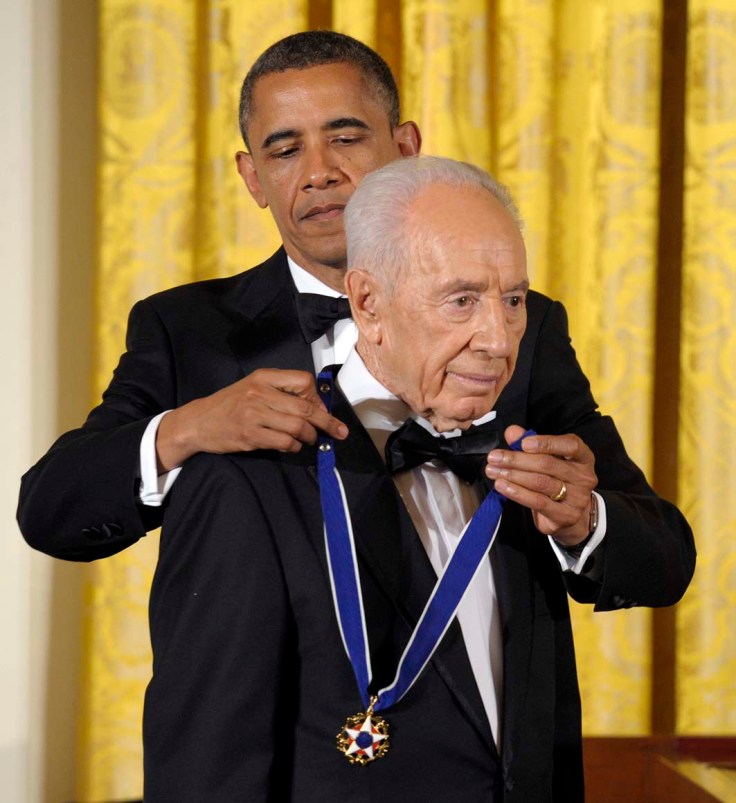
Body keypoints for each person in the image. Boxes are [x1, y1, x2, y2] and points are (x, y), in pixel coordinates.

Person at [17, 30, 683, 582]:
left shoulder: (521, 323)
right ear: (253, 178)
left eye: (346, 136)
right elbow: (50, 512)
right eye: (285, 149)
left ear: (406, 147)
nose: (319, 171)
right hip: (276, 738)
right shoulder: (187, 330)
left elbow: (663, 557)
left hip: (486, 736)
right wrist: (185, 429)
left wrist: (582, 516)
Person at [142, 156, 695, 801]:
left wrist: (584, 520)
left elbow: (665, 559)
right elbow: (205, 773)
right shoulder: (243, 481)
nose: (497, 339)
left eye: (512, 300)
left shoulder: (534, 441)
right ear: (369, 303)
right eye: (462, 301)